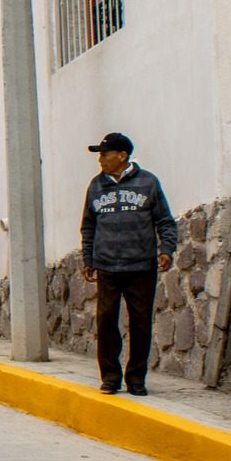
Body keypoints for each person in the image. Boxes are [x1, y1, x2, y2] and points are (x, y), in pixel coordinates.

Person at [80, 131, 178, 396]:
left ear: (122, 156)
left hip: (141, 267)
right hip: (108, 268)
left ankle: (136, 378)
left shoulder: (148, 183)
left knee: (140, 323)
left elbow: (165, 221)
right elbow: (88, 226)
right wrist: (88, 259)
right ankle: (110, 377)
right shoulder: (96, 186)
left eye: (105, 154)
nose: (101, 159)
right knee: (106, 321)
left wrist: (167, 249)